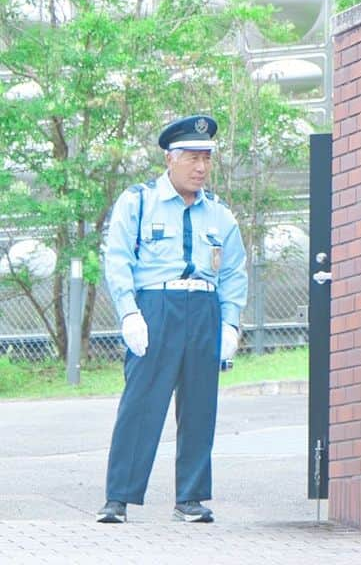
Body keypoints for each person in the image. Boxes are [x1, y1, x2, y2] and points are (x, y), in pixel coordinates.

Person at [96, 115, 248, 524]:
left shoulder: (219, 213)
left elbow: (234, 270)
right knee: (142, 403)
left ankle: (191, 497)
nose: (201, 168)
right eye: (193, 158)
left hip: (203, 309)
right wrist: (129, 312)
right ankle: (118, 498)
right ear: (170, 158)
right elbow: (118, 259)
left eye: (207, 159)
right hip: (155, 307)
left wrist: (230, 322)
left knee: (200, 405)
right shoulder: (139, 200)